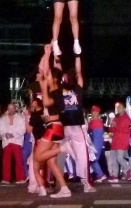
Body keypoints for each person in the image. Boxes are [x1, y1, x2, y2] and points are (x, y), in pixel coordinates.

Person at [32, 45, 70, 197]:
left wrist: (43, 86)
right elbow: (44, 70)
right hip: (56, 127)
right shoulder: (56, 87)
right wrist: (47, 54)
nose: (45, 77)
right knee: (51, 162)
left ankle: (64, 148)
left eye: (48, 77)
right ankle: (65, 189)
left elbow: (47, 103)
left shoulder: (54, 90)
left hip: (53, 127)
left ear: (53, 79)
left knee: (37, 157)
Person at [58, 56, 94, 192]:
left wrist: (78, 56)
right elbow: (59, 72)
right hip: (67, 128)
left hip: (72, 127)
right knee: (75, 156)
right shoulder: (62, 88)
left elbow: (79, 73)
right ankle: (61, 183)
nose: (64, 78)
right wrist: (59, 58)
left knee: (80, 156)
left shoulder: (77, 88)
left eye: (66, 76)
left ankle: (84, 183)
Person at [0, 102, 26, 184]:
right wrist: (5, 135)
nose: (11, 110)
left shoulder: (20, 118)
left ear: (15, 108)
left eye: (12, 108)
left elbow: (23, 129)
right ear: (7, 109)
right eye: (9, 109)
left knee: (18, 160)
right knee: (6, 161)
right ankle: (6, 178)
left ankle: (20, 178)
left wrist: (14, 134)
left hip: (17, 141)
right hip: (7, 141)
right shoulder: (3, 119)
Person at [109, 101, 131, 182]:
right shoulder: (116, 118)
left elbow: (126, 130)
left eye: (120, 108)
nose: (118, 109)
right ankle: (115, 176)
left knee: (119, 158)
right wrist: (112, 125)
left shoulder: (127, 118)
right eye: (118, 108)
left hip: (122, 141)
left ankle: (128, 168)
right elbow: (111, 130)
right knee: (113, 159)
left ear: (124, 109)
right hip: (115, 141)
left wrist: (116, 126)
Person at [87, 105, 107, 182]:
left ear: (97, 112)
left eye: (93, 111)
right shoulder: (93, 122)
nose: (92, 113)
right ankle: (98, 175)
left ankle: (100, 175)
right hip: (94, 143)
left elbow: (95, 135)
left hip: (97, 144)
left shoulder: (97, 122)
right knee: (92, 160)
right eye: (92, 111)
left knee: (93, 160)